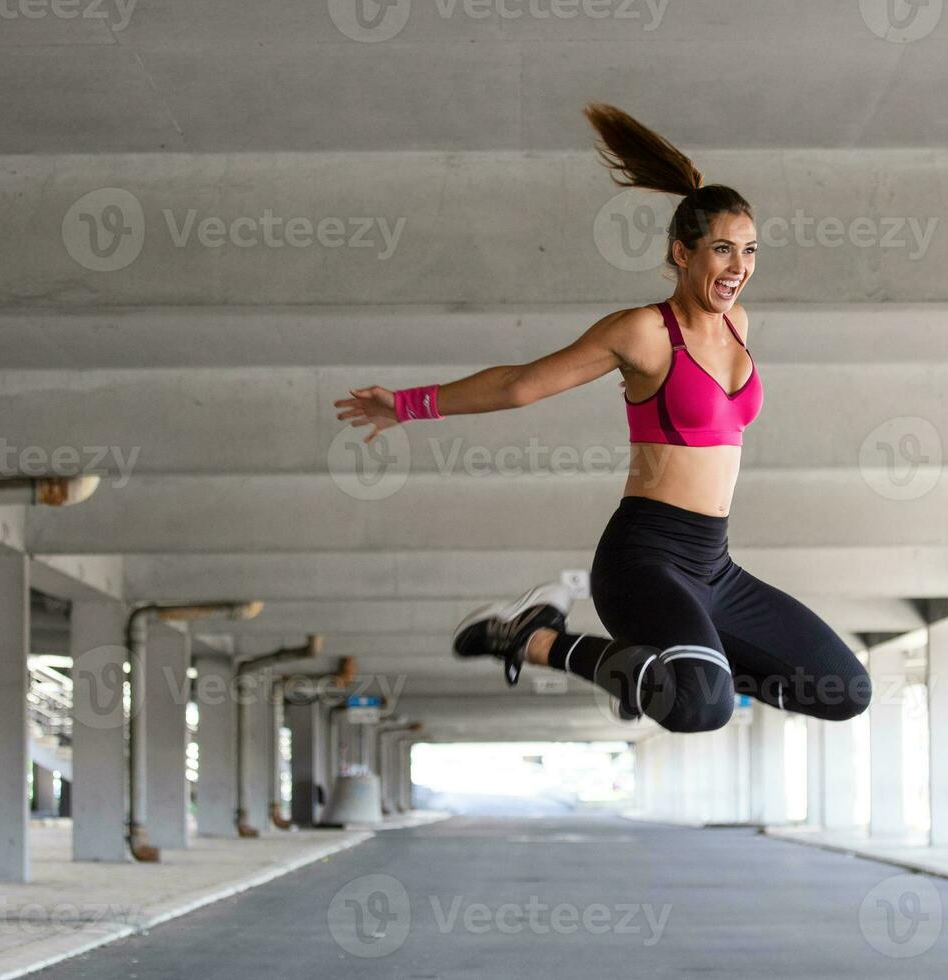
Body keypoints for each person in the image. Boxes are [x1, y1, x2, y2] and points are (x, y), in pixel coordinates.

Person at [333, 103, 872, 732]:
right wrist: (405, 405)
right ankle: (535, 639)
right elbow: (519, 384)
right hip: (644, 561)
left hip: (715, 566)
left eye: (749, 251)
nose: (739, 267)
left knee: (843, 690)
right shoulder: (644, 332)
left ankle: (658, 673)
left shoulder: (737, 325)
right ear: (682, 252)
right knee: (702, 707)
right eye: (723, 250)